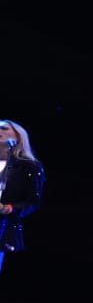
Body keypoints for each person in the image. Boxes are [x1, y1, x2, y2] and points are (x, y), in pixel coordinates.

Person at [0, 119, 45, 279]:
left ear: (18, 137)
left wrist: (9, 208)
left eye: (4, 128)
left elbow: (33, 201)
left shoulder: (29, 166)